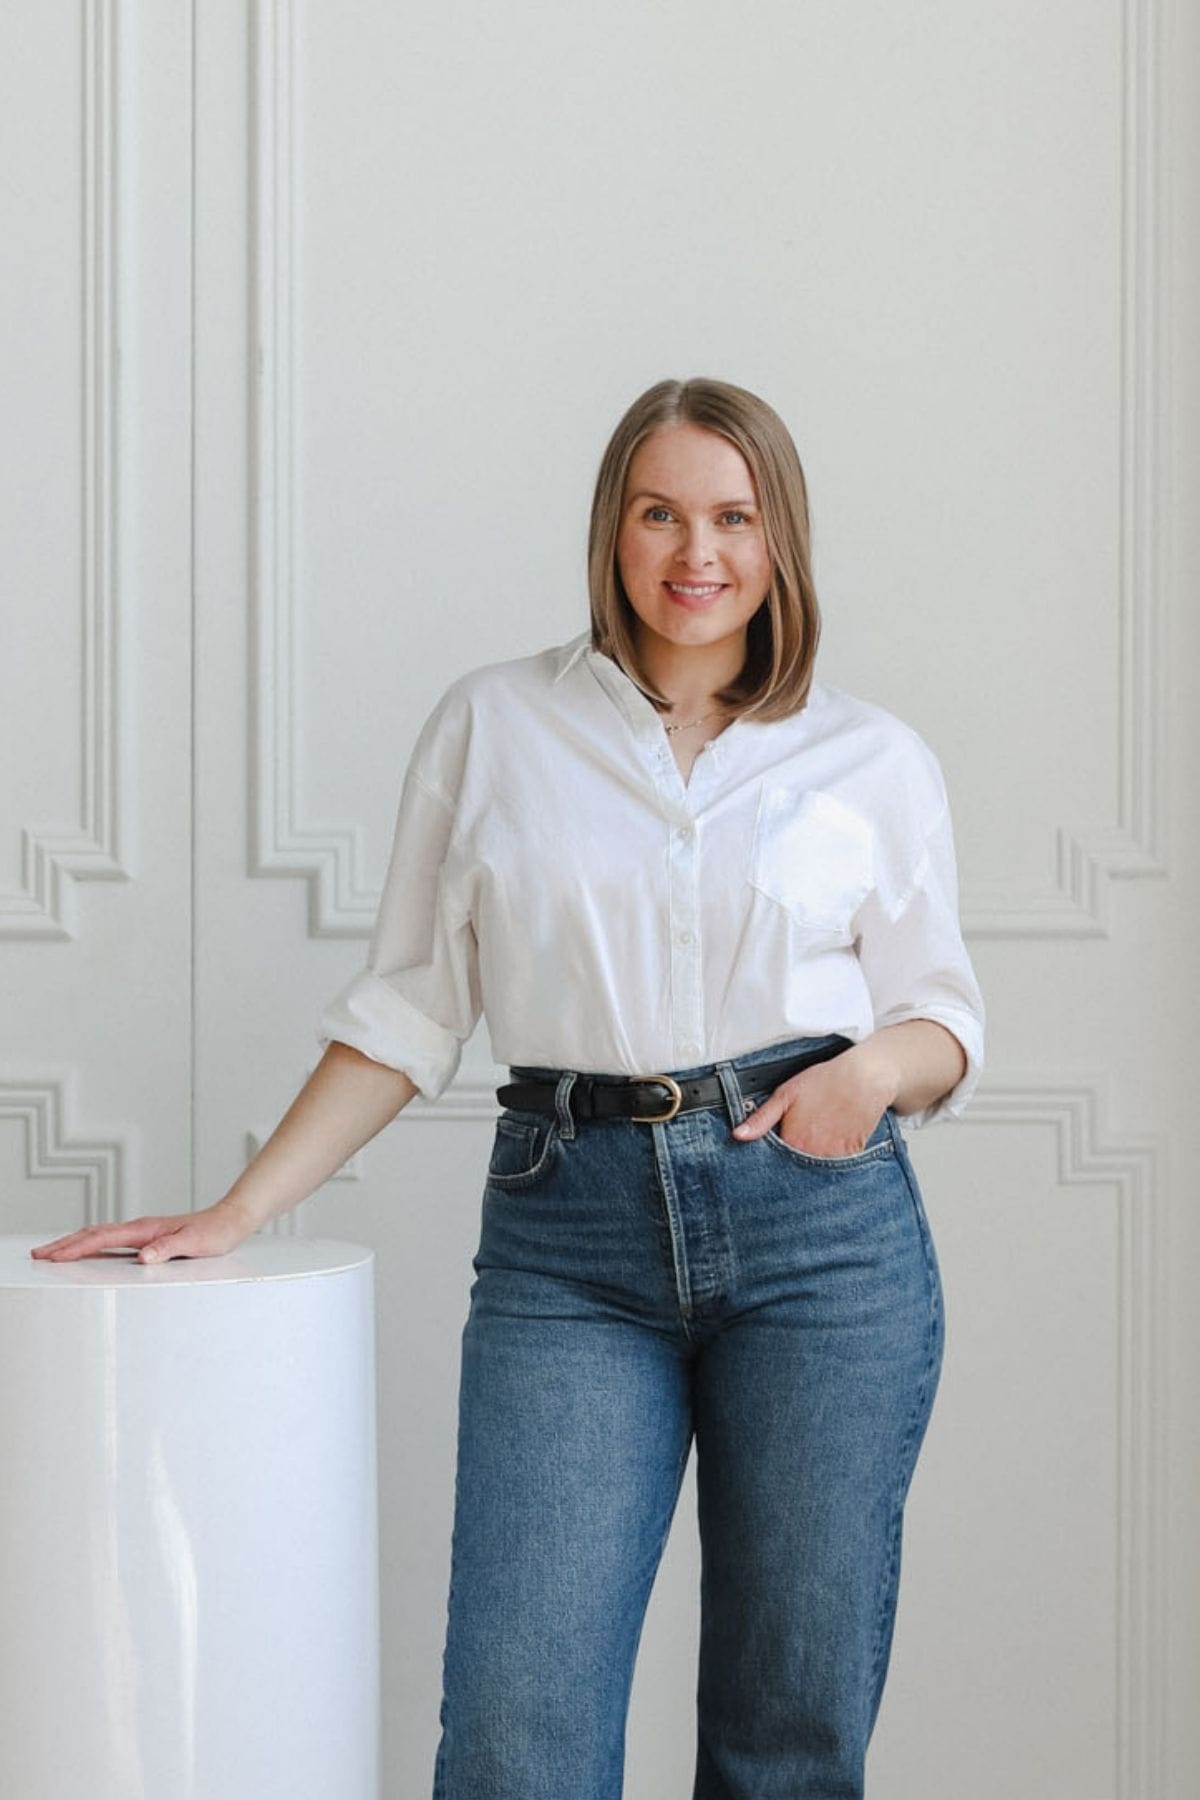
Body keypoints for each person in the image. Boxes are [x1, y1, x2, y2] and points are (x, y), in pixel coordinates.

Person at [33, 376, 985, 1798]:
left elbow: (945, 1016)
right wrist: (236, 1213)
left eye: (733, 518)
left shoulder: (874, 758)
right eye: (659, 514)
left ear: (780, 537)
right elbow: (410, 1009)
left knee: (787, 1734)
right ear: (612, 530)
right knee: (514, 1736)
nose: (696, 553)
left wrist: (874, 1073)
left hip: (823, 1240)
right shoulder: (495, 725)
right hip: (572, 1243)